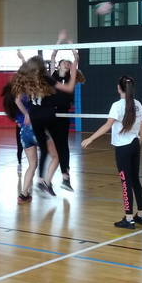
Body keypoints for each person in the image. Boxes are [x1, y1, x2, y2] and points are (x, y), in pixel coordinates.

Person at [9, 52, 79, 198]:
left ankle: (25, 193)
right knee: (57, 152)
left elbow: (17, 100)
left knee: (34, 162)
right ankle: (48, 180)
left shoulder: (26, 80)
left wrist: (26, 114)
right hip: (46, 120)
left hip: (28, 128)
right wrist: (73, 73)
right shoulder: (46, 79)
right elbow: (68, 89)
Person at [81, 75, 142, 229]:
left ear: (119, 88)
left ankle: (129, 218)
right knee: (135, 180)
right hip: (135, 144)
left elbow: (107, 125)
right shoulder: (138, 104)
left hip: (123, 147)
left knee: (126, 182)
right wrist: (138, 142)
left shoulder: (117, 105)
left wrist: (90, 138)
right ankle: (141, 215)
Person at [42, 42, 84, 191]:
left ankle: (65, 177)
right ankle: (44, 179)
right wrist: (59, 43)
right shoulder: (53, 76)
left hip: (64, 114)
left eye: (68, 62)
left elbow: (76, 58)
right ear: (59, 65)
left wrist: (72, 47)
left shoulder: (71, 76)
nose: (66, 63)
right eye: (64, 62)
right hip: (51, 114)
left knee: (63, 146)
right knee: (52, 146)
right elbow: (53, 56)